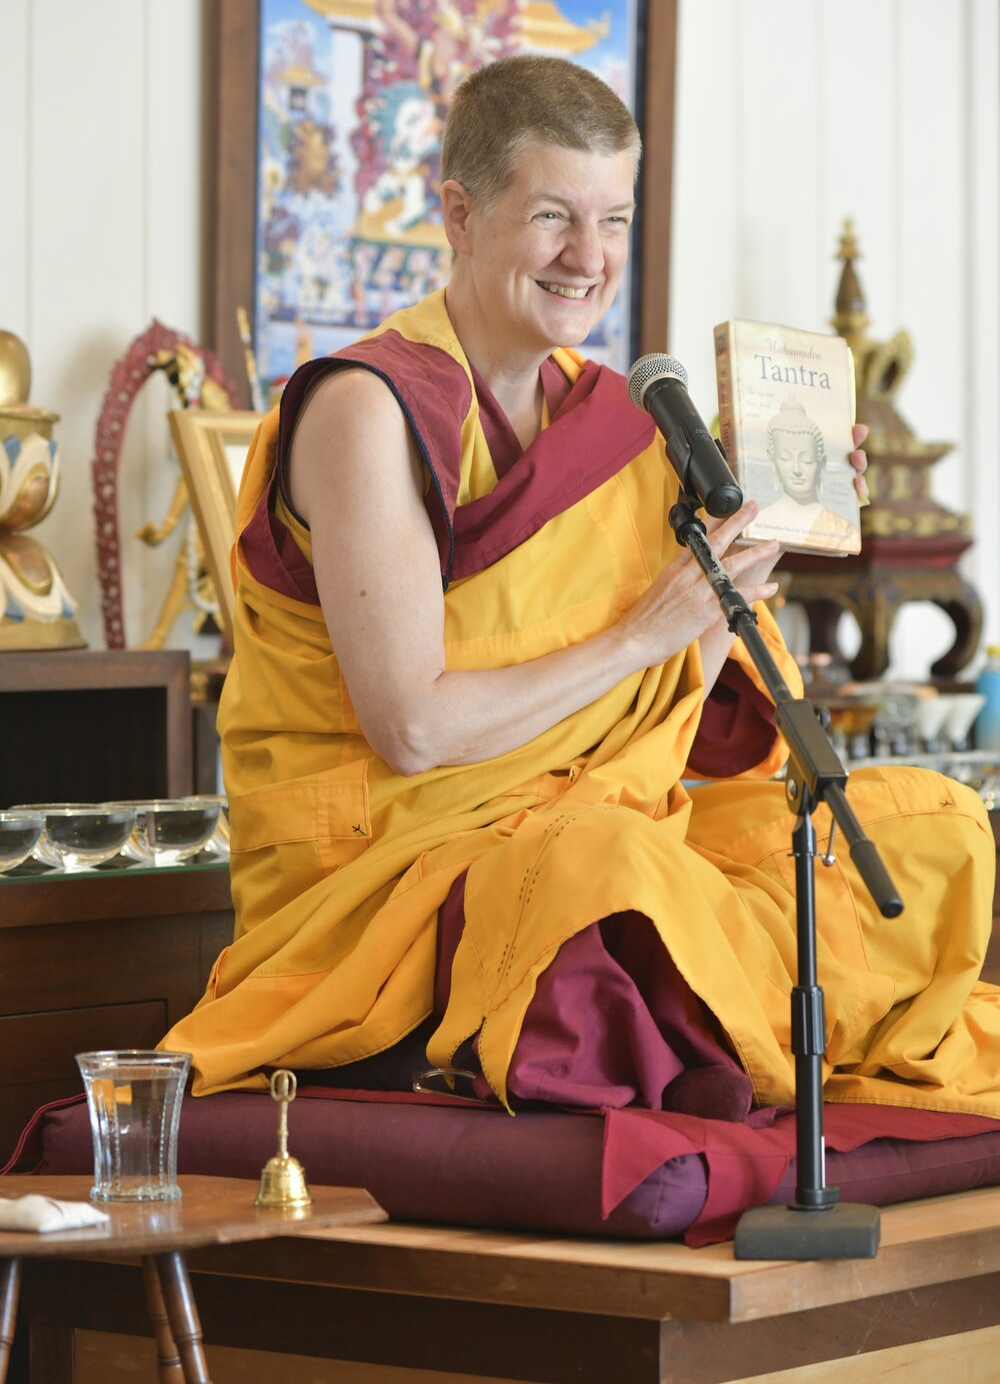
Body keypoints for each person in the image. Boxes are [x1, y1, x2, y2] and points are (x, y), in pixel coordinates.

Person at [164, 56, 1000, 1124]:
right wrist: (640, 634)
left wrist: (736, 573)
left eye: (612, 221)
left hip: (588, 835)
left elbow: (660, 721)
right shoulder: (368, 409)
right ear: (459, 215)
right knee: (604, 866)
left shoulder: (621, 424)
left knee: (924, 827)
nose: (588, 258)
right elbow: (412, 727)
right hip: (388, 882)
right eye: (553, 215)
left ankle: (703, 1042)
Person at [752, 396, 857, 548]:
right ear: (773, 460)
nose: (796, 470)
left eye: (807, 460)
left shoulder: (841, 530)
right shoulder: (757, 523)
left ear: (821, 464)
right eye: (785, 458)